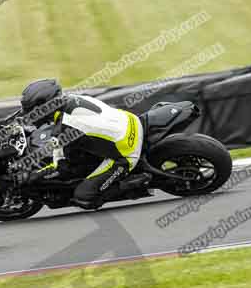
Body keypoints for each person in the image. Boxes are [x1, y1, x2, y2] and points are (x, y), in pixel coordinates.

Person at [14, 78, 149, 209]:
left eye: (31, 110)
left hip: (127, 150)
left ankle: (135, 183)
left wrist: (35, 175)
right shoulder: (70, 99)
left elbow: (62, 167)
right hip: (129, 119)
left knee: (84, 196)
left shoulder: (66, 128)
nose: (28, 114)